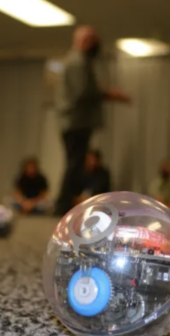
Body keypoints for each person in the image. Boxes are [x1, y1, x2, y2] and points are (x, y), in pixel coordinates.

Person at [54, 25, 131, 215]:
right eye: (93, 40)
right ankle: (63, 206)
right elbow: (82, 92)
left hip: (77, 121)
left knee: (75, 164)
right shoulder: (77, 62)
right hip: (76, 121)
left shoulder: (80, 62)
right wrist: (109, 94)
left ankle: (66, 205)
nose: (96, 45)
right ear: (84, 41)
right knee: (74, 164)